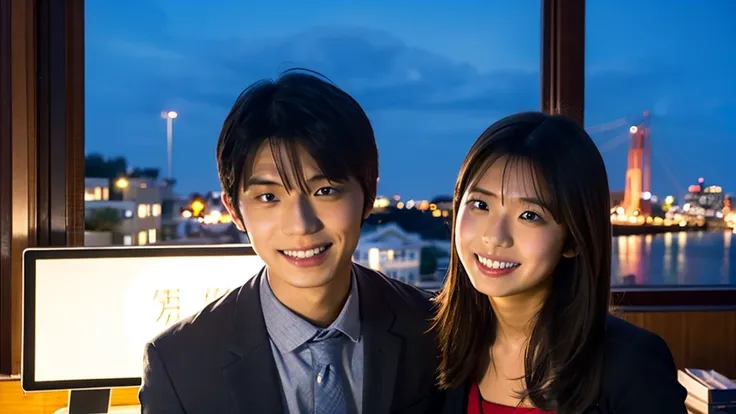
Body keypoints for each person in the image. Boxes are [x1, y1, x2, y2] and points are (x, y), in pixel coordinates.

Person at [138, 69, 443, 414]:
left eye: (325, 190)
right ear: (235, 211)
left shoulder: (433, 330)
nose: (300, 225)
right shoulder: (180, 362)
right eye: (268, 197)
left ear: (369, 194)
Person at [433, 112, 687, 414]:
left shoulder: (632, 366)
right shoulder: (435, 348)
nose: (495, 237)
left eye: (529, 215)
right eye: (481, 204)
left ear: (572, 240)